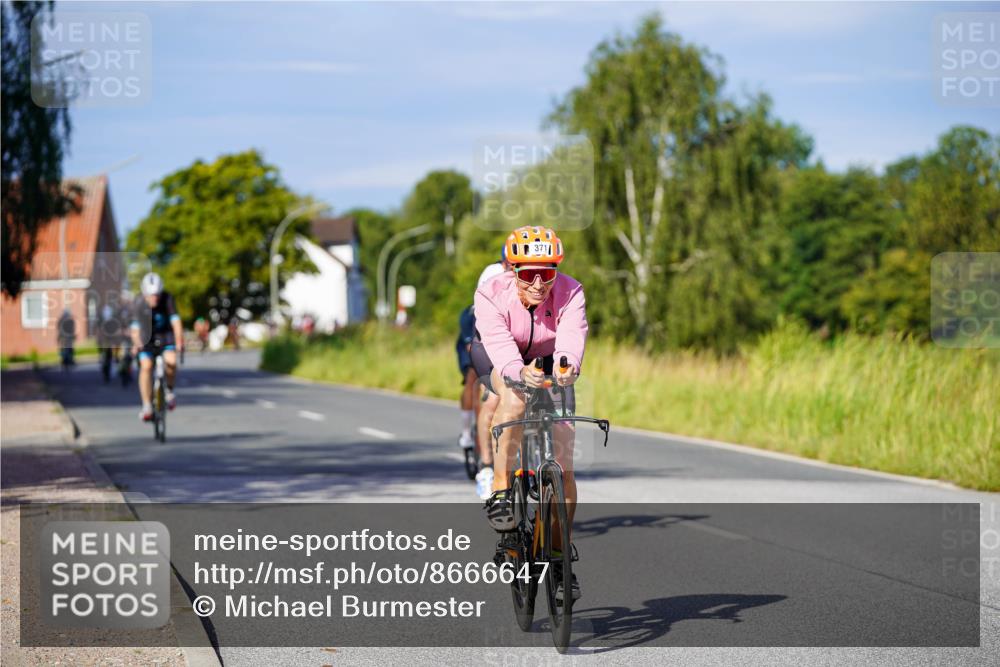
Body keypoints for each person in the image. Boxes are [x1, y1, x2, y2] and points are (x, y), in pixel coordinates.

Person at [470, 225, 586, 602]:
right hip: (498, 354)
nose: (538, 283)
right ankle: (502, 489)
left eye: (547, 273)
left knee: (565, 463)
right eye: (528, 274)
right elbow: (501, 347)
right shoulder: (492, 293)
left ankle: (557, 555)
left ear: (557, 270)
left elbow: (571, 338)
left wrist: (567, 367)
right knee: (514, 399)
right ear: (512, 270)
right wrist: (519, 373)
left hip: (547, 355)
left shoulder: (571, 292)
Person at [456, 253, 510, 499]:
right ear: (504, 262)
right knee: (474, 378)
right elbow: (483, 314)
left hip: (509, 334)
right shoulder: (492, 274)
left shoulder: (530, 276)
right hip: (478, 328)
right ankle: (475, 446)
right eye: (512, 264)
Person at [130, 272, 184, 421]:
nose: (155, 298)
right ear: (144, 294)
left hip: (165, 336)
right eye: (151, 295)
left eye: (157, 295)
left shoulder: (167, 299)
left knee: (171, 362)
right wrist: (137, 344)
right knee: (146, 367)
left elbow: (176, 322)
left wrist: (179, 341)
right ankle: (147, 405)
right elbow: (135, 330)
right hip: (146, 338)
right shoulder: (138, 302)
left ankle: (170, 391)